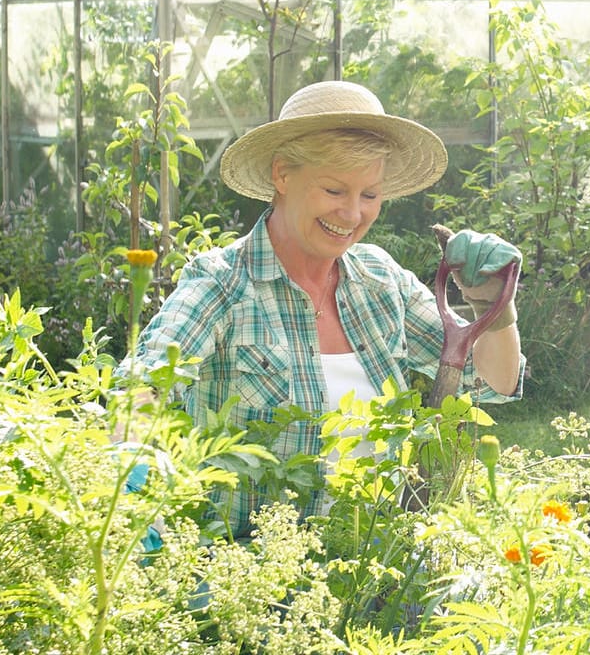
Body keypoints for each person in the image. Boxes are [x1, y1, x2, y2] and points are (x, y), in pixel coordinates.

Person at [134, 80, 523, 534]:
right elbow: (146, 385)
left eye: (370, 195)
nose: (353, 214)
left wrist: (494, 309)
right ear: (282, 175)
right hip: (256, 580)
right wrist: (133, 475)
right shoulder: (223, 285)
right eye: (335, 191)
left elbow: (492, 382)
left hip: (377, 573)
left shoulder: (378, 281)